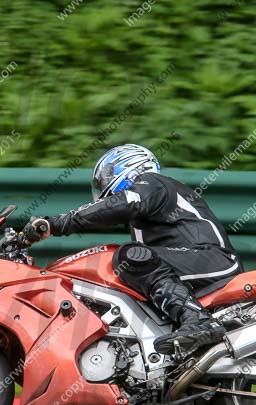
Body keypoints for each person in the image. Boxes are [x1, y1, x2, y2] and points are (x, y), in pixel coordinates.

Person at [22, 144, 242, 355]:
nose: (101, 188)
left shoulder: (152, 183)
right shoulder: (144, 218)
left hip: (214, 259)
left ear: (127, 168)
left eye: (104, 180)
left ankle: (198, 321)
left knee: (131, 256)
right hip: (193, 263)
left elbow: (122, 203)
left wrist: (57, 224)